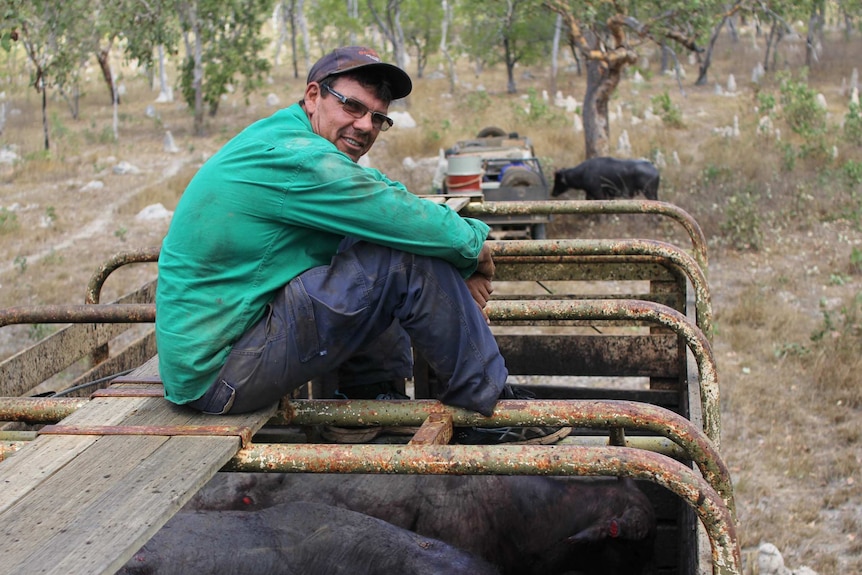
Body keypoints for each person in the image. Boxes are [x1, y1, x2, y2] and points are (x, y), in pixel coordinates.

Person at [154, 46, 570, 445]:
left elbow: (378, 194)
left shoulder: (291, 139)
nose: (366, 126)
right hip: (221, 375)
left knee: (375, 234)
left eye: (378, 118)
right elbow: (395, 213)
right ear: (313, 95)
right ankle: (490, 411)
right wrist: (475, 248)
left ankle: (366, 404)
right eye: (352, 107)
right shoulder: (298, 158)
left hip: (218, 357)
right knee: (402, 259)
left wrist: (457, 250)